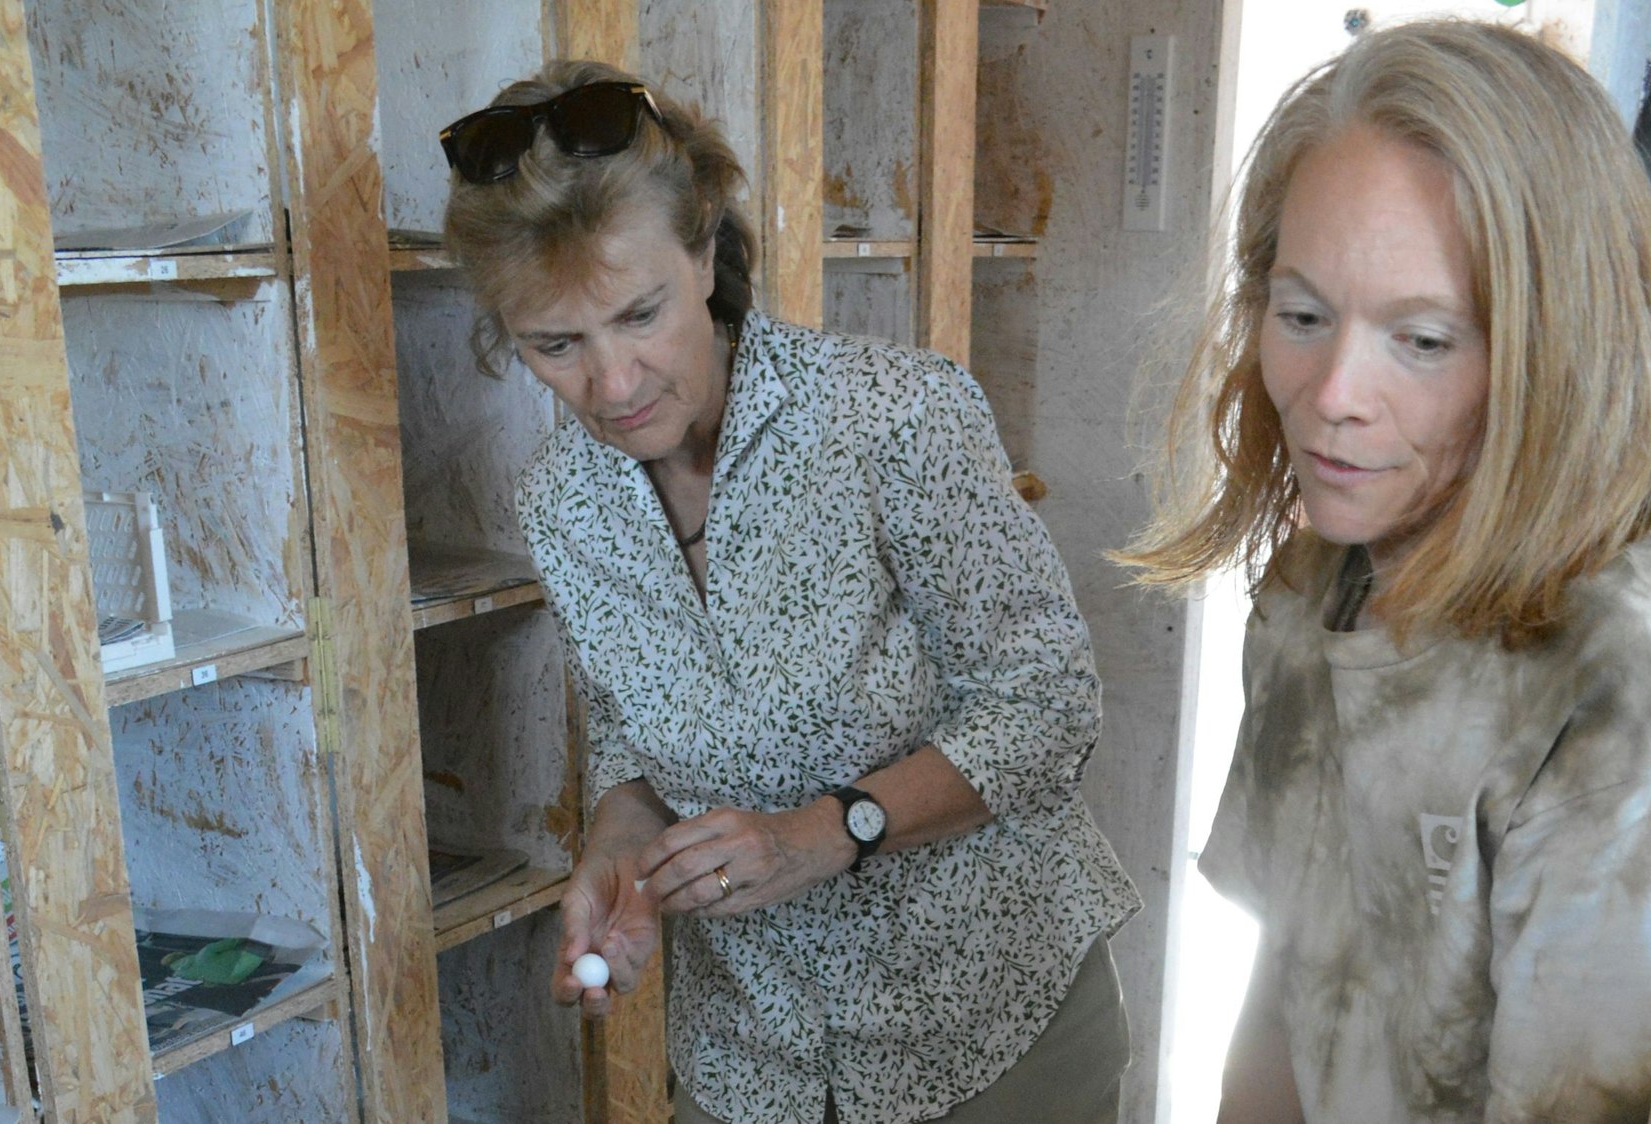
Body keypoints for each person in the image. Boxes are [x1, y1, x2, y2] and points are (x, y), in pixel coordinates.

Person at [1117, 19, 1651, 1122]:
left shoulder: (1648, 693)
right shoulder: (1323, 582)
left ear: (1559, 351)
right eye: (1303, 315)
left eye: (1424, 339)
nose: (1332, 392)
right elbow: (1289, 991)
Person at [439, 61, 1140, 1124]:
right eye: (556, 345)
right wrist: (619, 849)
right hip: (751, 1056)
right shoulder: (561, 504)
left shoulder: (891, 416)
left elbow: (1046, 706)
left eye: (640, 314)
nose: (614, 383)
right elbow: (637, 738)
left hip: (989, 1036)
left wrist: (827, 828)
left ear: (707, 251)